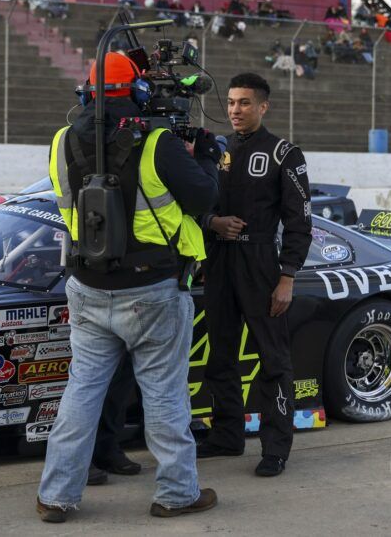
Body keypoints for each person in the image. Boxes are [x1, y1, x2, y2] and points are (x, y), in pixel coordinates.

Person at [36, 51, 221, 522]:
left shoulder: (61, 141)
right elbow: (204, 196)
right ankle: (177, 493)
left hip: (87, 285)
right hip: (152, 289)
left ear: (87, 92)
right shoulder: (159, 142)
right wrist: (204, 155)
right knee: (164, 395)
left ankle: (56, 495)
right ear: (137, 92)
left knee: (81, 393)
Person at [197, 73, 312, 478]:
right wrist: (212, 222)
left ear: (263, 107)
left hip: (263, 263)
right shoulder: (215, 150)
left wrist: (288, 277)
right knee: (221, 354)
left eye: (244, 103)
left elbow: (301, 222)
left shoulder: (284, 153)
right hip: (219, 262)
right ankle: (226, 436)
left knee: (273, 361)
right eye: (230, 102)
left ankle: (276, 447)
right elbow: (194, 203)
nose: (235, 110)